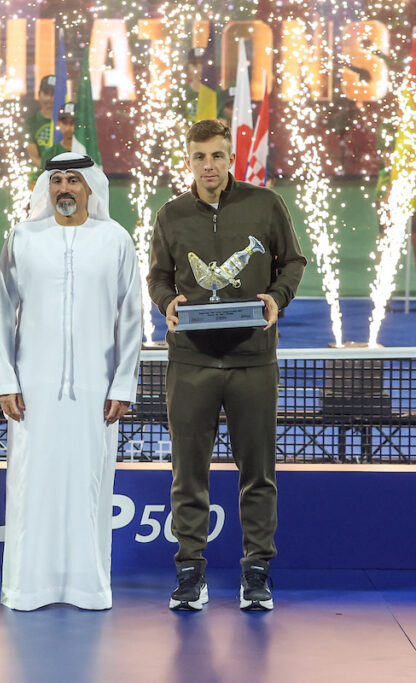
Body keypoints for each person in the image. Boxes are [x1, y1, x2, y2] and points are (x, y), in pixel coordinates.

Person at [148, 119, 307, 612]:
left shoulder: (266, 204)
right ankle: (190, 574)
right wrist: (167, 303)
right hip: (190, 361)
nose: (209, 165)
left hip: (252, 362)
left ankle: (256, 573)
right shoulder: (170, 214)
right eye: (199, 157)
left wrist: (277, 297)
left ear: (229, 157)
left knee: (257, 473)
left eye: (217, 156)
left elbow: (293, 261)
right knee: (187, 473)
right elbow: (156, 276)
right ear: (188, 160)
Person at [0, 152, 141, 611]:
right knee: (29, 485)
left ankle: (88, 588)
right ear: (46, 188)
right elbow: (1, 313)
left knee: (89, 486)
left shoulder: (115, 239)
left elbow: (131, 320)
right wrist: (5, 378)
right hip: (32, 389)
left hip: (97, 393)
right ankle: (25, 587)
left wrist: (122, 385)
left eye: (73, 180)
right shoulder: (22, 238)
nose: (64, 188)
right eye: (56, 180)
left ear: (90, 188)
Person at [39, 102, 86, 168]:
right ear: (58, 123)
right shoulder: (50, 154)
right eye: (64, 122)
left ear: (80, 124)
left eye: (72, 122)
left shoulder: (87, 151)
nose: (68, 128)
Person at [24, 75, 56, 170]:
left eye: (53, 94)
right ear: (39, 94)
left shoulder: (67, 122)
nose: (49, 98)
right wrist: (54, 171)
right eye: (46, 93)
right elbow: (33, 158)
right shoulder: (30, 123)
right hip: (37, 178)